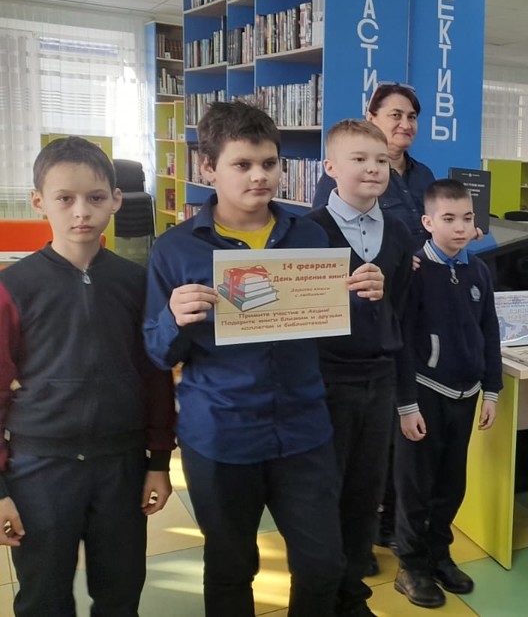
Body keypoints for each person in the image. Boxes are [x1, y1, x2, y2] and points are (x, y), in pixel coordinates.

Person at [144, 101, 386, 616]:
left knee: (322, 565)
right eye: (242, 164)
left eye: (269, 163)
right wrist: (173, 318)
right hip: (222, 432)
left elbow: (327, 325)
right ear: (208, 167)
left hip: (303, 429)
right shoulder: (176, 249)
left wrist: (362, 294)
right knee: (231, 567)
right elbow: (158, 352)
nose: (260, 176)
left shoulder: (310, 236)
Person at [0, 137, 175, 616]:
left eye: (95, 197)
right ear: (39, 202)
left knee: (120, 593)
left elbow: (156, 376)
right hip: (39, 468)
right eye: (65, 199)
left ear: (116, 200)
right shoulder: (13, 287)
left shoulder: (136, 283)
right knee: (43, 597)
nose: (82, 212)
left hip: (120, 466)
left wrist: (158, 461)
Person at [307, 119, 418, 615]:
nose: (373, 169)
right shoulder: (307, 231)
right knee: (320, 496)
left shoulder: (399, 232)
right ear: (330, 167)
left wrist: (405, 396)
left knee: (365, 495)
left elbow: (404, 314)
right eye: (359, 159)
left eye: (381, 160)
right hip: (323, 382)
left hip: (379, 381)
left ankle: (352, 596)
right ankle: (319, 597)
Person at [392, 179, 501, 609]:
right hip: (424, 394)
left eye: (467, 219)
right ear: (427, 222)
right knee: (415, 486)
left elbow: (489, 331)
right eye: (449, 219)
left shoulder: (479, 271)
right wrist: (406, 404)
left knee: (451, 484)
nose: (460, 228)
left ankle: (439, 555)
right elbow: (401, 340)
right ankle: (411, 565)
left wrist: (492, 390)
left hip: (466, 393)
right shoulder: (415, 272)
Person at [313, 83, 435, 241]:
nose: (406, 125)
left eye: (411, 117)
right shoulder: (343, 176)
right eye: (396, 115)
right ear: (371, 118)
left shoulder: (424, 174)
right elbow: (319, 232)